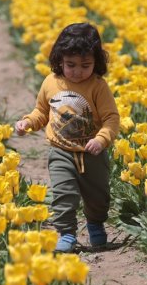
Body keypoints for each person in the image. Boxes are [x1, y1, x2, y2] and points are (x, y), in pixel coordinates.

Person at [15, 22, 120, 253]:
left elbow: (111, 118)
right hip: (60, 150)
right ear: (59, 59)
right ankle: (67, 233)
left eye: (86, 65)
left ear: (97, 63)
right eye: (71, 65)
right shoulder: (51, 82)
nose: (77, 71)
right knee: (64, 194)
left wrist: (102, 139)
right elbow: (41, 111)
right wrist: (28, 122)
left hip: (92, 152)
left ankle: (95, 223)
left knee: (97, 198)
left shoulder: (98, 87)